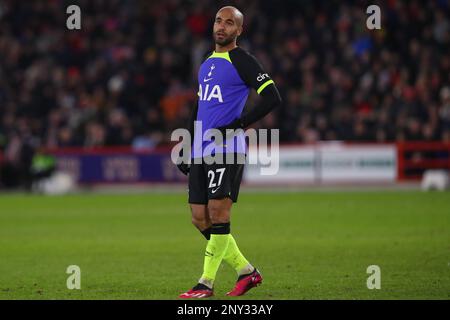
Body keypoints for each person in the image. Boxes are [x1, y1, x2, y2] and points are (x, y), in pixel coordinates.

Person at [176, 6, 282, 298]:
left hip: (227, 150)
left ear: (239, 30)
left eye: (229, 23)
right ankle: (247, 272)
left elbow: (272, 97)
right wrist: (187, 144)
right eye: (218, 21)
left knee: (218, 212)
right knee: (199, 217)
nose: (222, 27)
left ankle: (205, 283)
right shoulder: (207, 61)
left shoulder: (243, 61)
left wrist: (238, 126)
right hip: (201, 149)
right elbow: (199, 106)